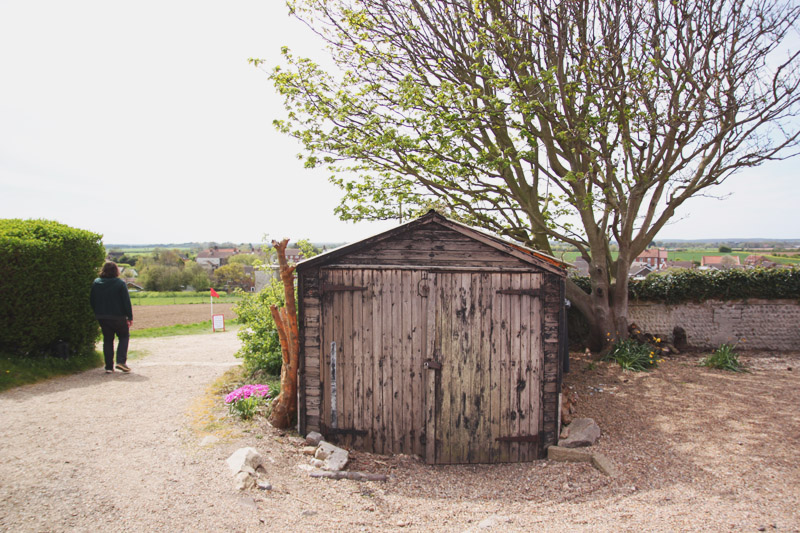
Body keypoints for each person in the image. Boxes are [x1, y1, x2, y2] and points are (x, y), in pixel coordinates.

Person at [90, 262, 133, 373]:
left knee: (108, 340)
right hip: (118, 316)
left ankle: (109, 367)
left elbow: (92, 300)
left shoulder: (96, 283)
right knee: (124, 336)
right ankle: (121, 361)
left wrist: (97, 313)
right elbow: (126, 302)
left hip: (102, 316)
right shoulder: (120, 283)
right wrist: (129, 316)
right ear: (116, 271)